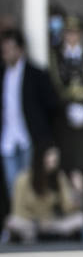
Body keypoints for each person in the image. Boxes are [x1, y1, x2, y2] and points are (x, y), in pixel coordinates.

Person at [0, 29, 60, 218]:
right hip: (8, 138)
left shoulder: (36, 74)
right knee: (12, 184)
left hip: (29, 137)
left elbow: (53, 107)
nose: (6, 53)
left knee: (30, 182)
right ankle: (17, 222)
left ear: (20, 49)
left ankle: (29, 221)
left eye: (10, 49)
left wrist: (48, 140)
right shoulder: (2, 74)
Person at [51, 15, 83, 223]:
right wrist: (67, 107)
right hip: (66, 119)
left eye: (75, 33)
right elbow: (55, 85)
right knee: (67, 167)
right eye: (68, 33)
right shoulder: (57, 56)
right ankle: (71, 212)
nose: (71, 37)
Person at [3, 145, 83, 242]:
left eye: (55, 159)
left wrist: (78, 191)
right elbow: (17, 210)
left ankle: (51, 237)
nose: (52, 161)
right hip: (30, 223)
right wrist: (37, 222)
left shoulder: (59, 177)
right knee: (13, 221)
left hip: (51, 223)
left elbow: (67, 207)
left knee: (80, 218)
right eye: (49, 156)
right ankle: (32, 240)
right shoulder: (24, 178)